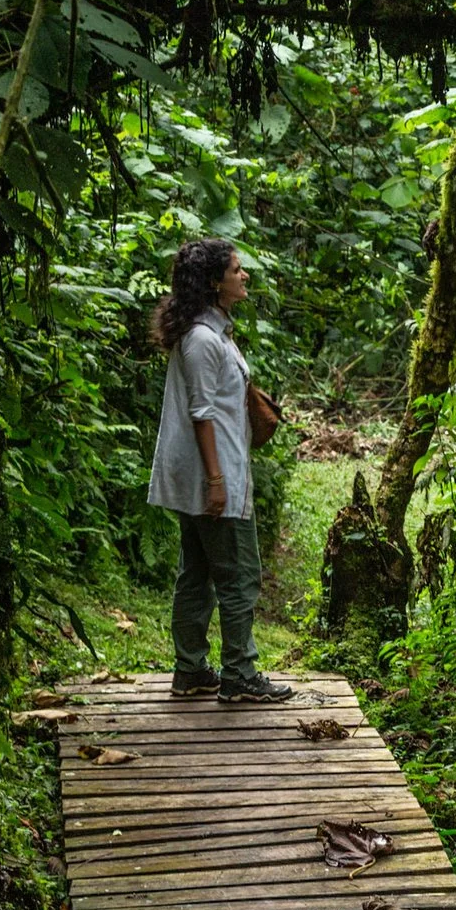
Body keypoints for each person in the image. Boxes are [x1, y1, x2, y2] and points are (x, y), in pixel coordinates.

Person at [146, 237, 291, 703]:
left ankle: (191, 670)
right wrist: (216, 481)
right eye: (235, 270)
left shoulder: (210, 333)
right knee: (239, 573)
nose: (244, 276)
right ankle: (239, 675)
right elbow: (202, 413)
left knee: (198, 571)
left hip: (208, 475)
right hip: (215, 478)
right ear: (214, 282)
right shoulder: (203, 340)